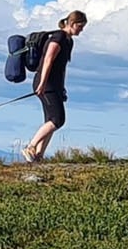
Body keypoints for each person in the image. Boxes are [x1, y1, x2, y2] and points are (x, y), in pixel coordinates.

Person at [21, 10, 88, 163]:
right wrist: (43, 83)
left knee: (50, 120)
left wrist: (62, 87)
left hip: (55, 85)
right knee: (58, 120)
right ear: (71, 23)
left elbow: (62, 66)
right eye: (80, 26)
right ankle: (30, 146)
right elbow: (48, 60)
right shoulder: (58, 37)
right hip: (46, 84)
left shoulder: (69, 41)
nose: (81, 29)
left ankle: (38, 156)